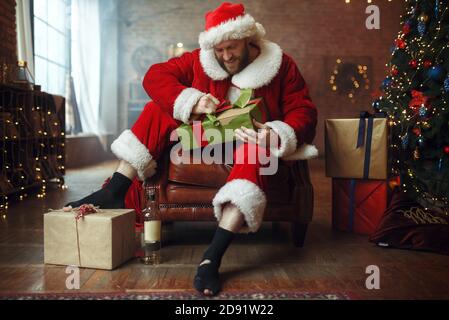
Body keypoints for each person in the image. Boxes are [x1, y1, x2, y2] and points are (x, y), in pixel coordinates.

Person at [65, 2, 318, 296]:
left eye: (232, 48)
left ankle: (213, 256)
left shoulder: (281, 64)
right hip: (205, 141)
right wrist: (192, 100)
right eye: (220, 50)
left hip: (251, 142)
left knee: (255, 152)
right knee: (159, 108)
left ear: (249, 39)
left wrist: (275, 134)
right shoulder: (201, 60)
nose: (226, 56)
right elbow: (154, 76)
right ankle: (115, 188)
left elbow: (304, 111)